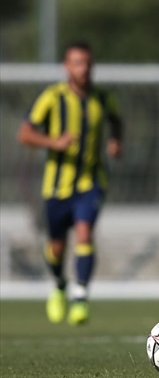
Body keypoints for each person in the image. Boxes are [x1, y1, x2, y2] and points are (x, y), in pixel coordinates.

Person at [17, 41, 123, 326]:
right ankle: (60, 285)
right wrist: (54, 142)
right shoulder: (53, 97)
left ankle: (80, 296)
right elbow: (25, 133)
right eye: (77, 63)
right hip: (56, 187)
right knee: (56, 247)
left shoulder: (102, 97)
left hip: (91, 182)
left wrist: (115, 141)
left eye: (87, 63)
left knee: (85, 233)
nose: (83, 68)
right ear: (67, 66)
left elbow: (116, 121)